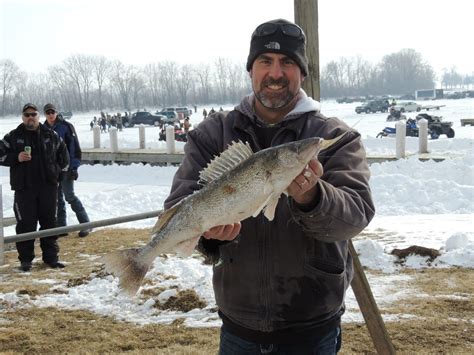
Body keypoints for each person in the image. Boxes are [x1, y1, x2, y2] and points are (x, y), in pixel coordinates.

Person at [164, 19, 375, 354]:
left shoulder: (334, 137)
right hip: (238, 327)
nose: (276, 73)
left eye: (288, 63)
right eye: (265, 61)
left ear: (302, 73)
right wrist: (208, 236)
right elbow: (181, 204)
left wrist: (313, 196)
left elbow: (356, 214)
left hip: (312, 327)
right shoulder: (212, 134)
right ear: (251, 70)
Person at [0, 103, 69, 271]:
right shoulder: (13, 136)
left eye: (33, 114)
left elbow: (64, 155)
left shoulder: (50, 135)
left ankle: (51, 259)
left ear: (39, 116)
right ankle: (25, 261)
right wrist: (16, 157)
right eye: (27, 115)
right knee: (26, 225)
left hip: (48, 187)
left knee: (49, 223)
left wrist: (57, 172)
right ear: (22, 117)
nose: (30, 117)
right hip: (24, 188)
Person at [43, 103, 92, 238]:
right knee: (57, 199)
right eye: (48, 112)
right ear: (45, 114)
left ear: (56, 112)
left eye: (52, 112)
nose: (51, 115)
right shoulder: (43, 129)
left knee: (69, 195)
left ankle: (86, 224)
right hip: (53, 169)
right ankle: (61, 227)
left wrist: (74, 166)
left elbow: (75, 148)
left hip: (67, 167)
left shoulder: (66, 126)